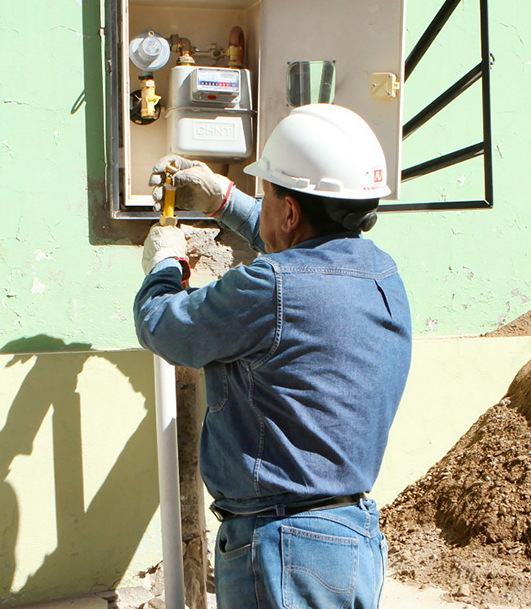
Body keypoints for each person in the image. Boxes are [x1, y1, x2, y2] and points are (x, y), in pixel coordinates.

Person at [133, 103, 412, 609]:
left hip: (284, 548)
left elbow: (164, 327)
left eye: (265, 197)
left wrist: (165, 264)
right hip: (350, 539)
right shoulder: (380, 274)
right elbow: (305, 262)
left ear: (289, 211)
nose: (260, 207)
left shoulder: (269, 287)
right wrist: (226, 202)